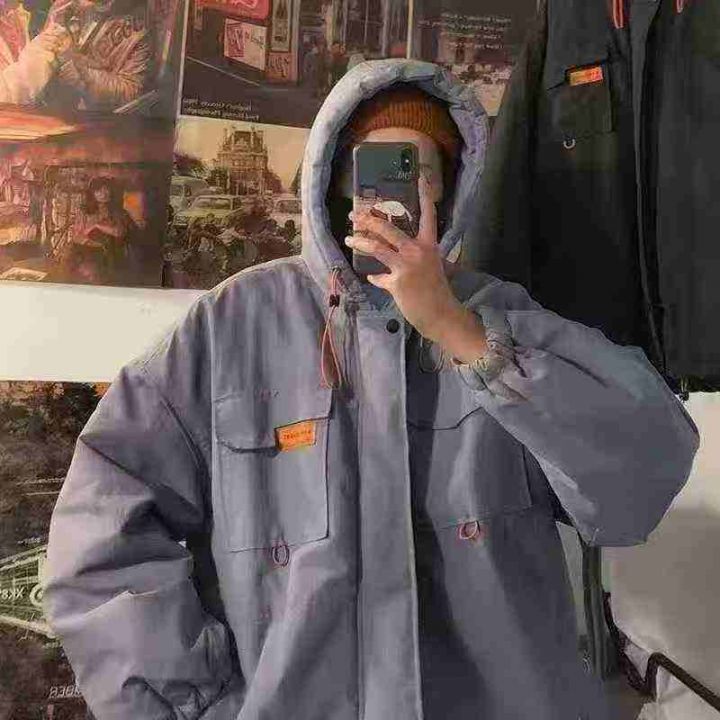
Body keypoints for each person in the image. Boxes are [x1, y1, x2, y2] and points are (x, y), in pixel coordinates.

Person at [43, 60, 698, 720]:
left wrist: (462, 332)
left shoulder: (501, 317)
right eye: (374, 167)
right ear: (336, 179)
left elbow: (643, 478)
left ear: (449, 188)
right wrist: (199, 706)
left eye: (419, 170)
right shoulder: (233, 326)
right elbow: (101, 539)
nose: (393, 194)